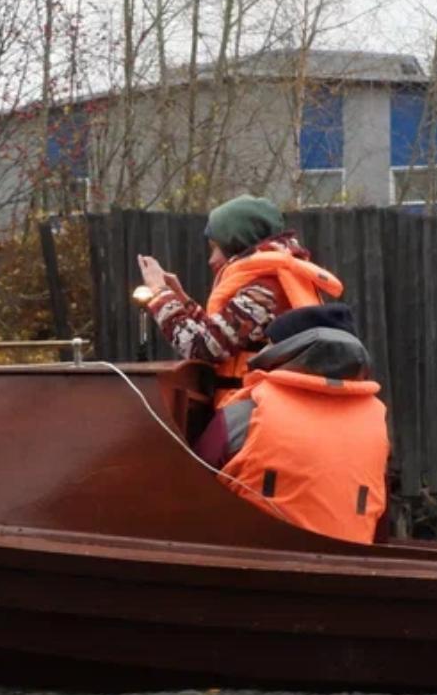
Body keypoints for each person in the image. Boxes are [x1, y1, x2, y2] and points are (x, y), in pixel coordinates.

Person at [194, 305, 389, 544]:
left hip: (254, 570)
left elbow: (192, 489)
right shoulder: (376, 423)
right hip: (350, 572)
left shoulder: (246, 413)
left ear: (281, 351)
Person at [136, 195, 344, 405]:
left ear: (236, 243)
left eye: (215, 248)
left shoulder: (267, 289)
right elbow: (223, 334)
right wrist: (183, 300)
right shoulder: (274, 280)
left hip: (256, 412)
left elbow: (205, 347)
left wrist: (161, 294)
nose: (211, 260)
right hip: (265, 406)